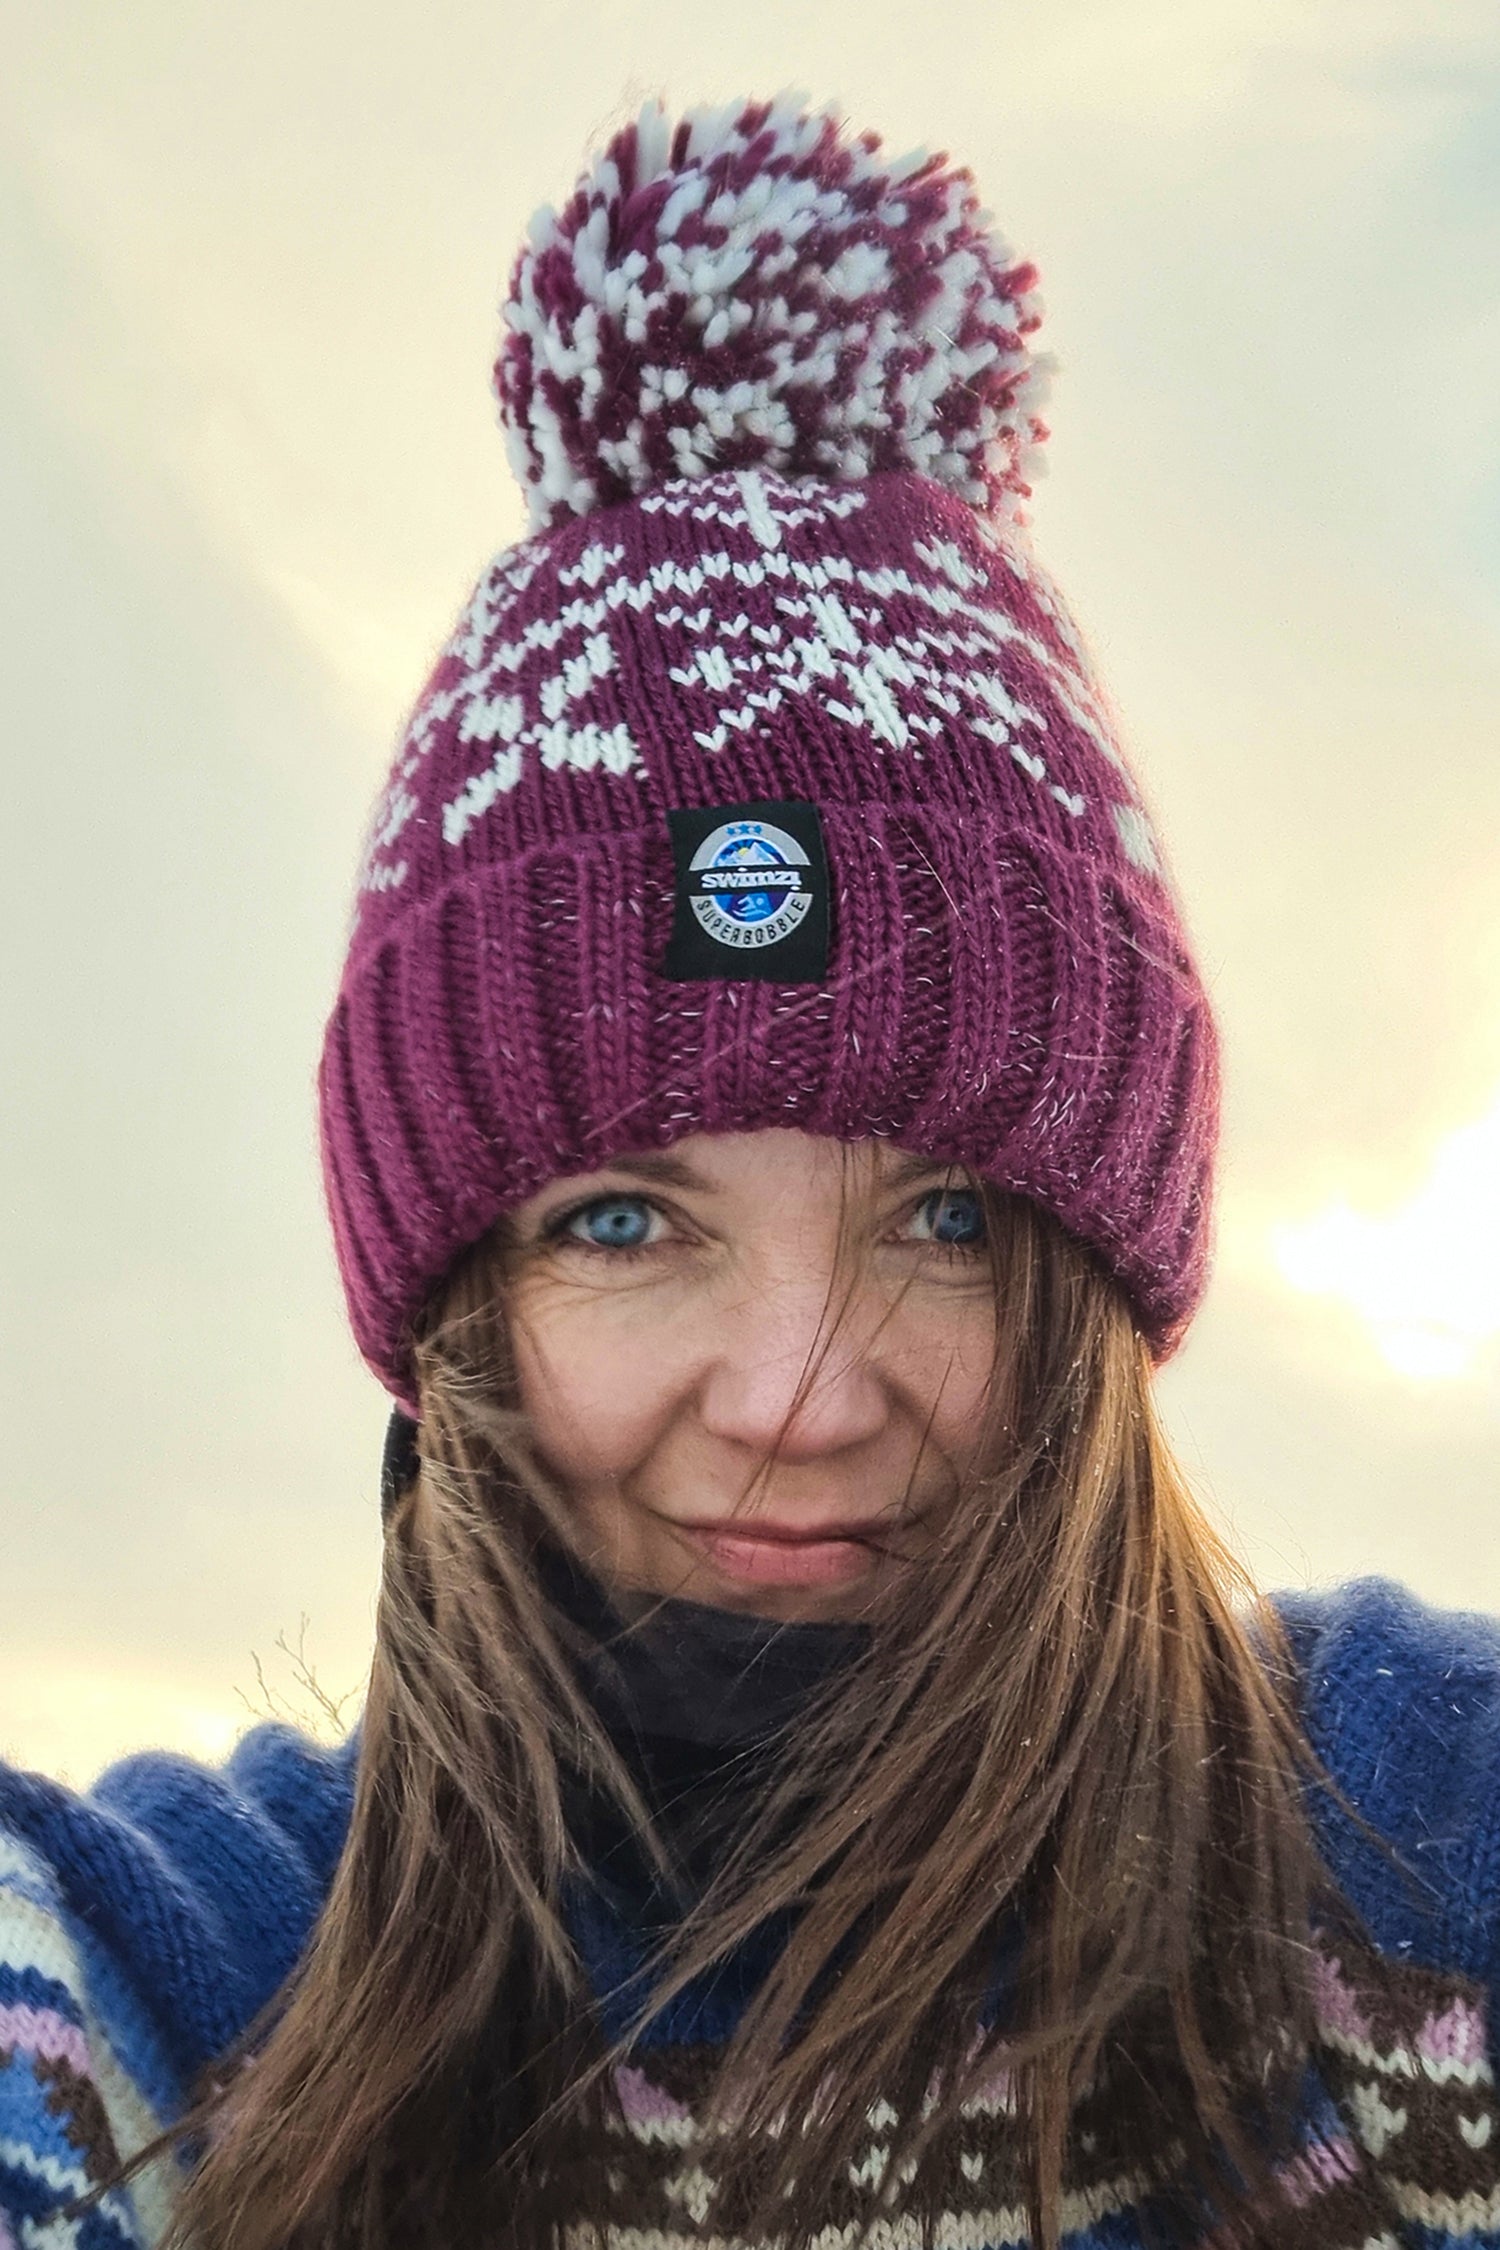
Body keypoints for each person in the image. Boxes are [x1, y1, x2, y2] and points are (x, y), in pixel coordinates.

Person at [2, 90, 1497, 2250]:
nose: (798, 1392)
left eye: (946, 1218)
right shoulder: (175, 2003)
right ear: (465, 1305)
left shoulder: (1413, 1882)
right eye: (627, 1219)